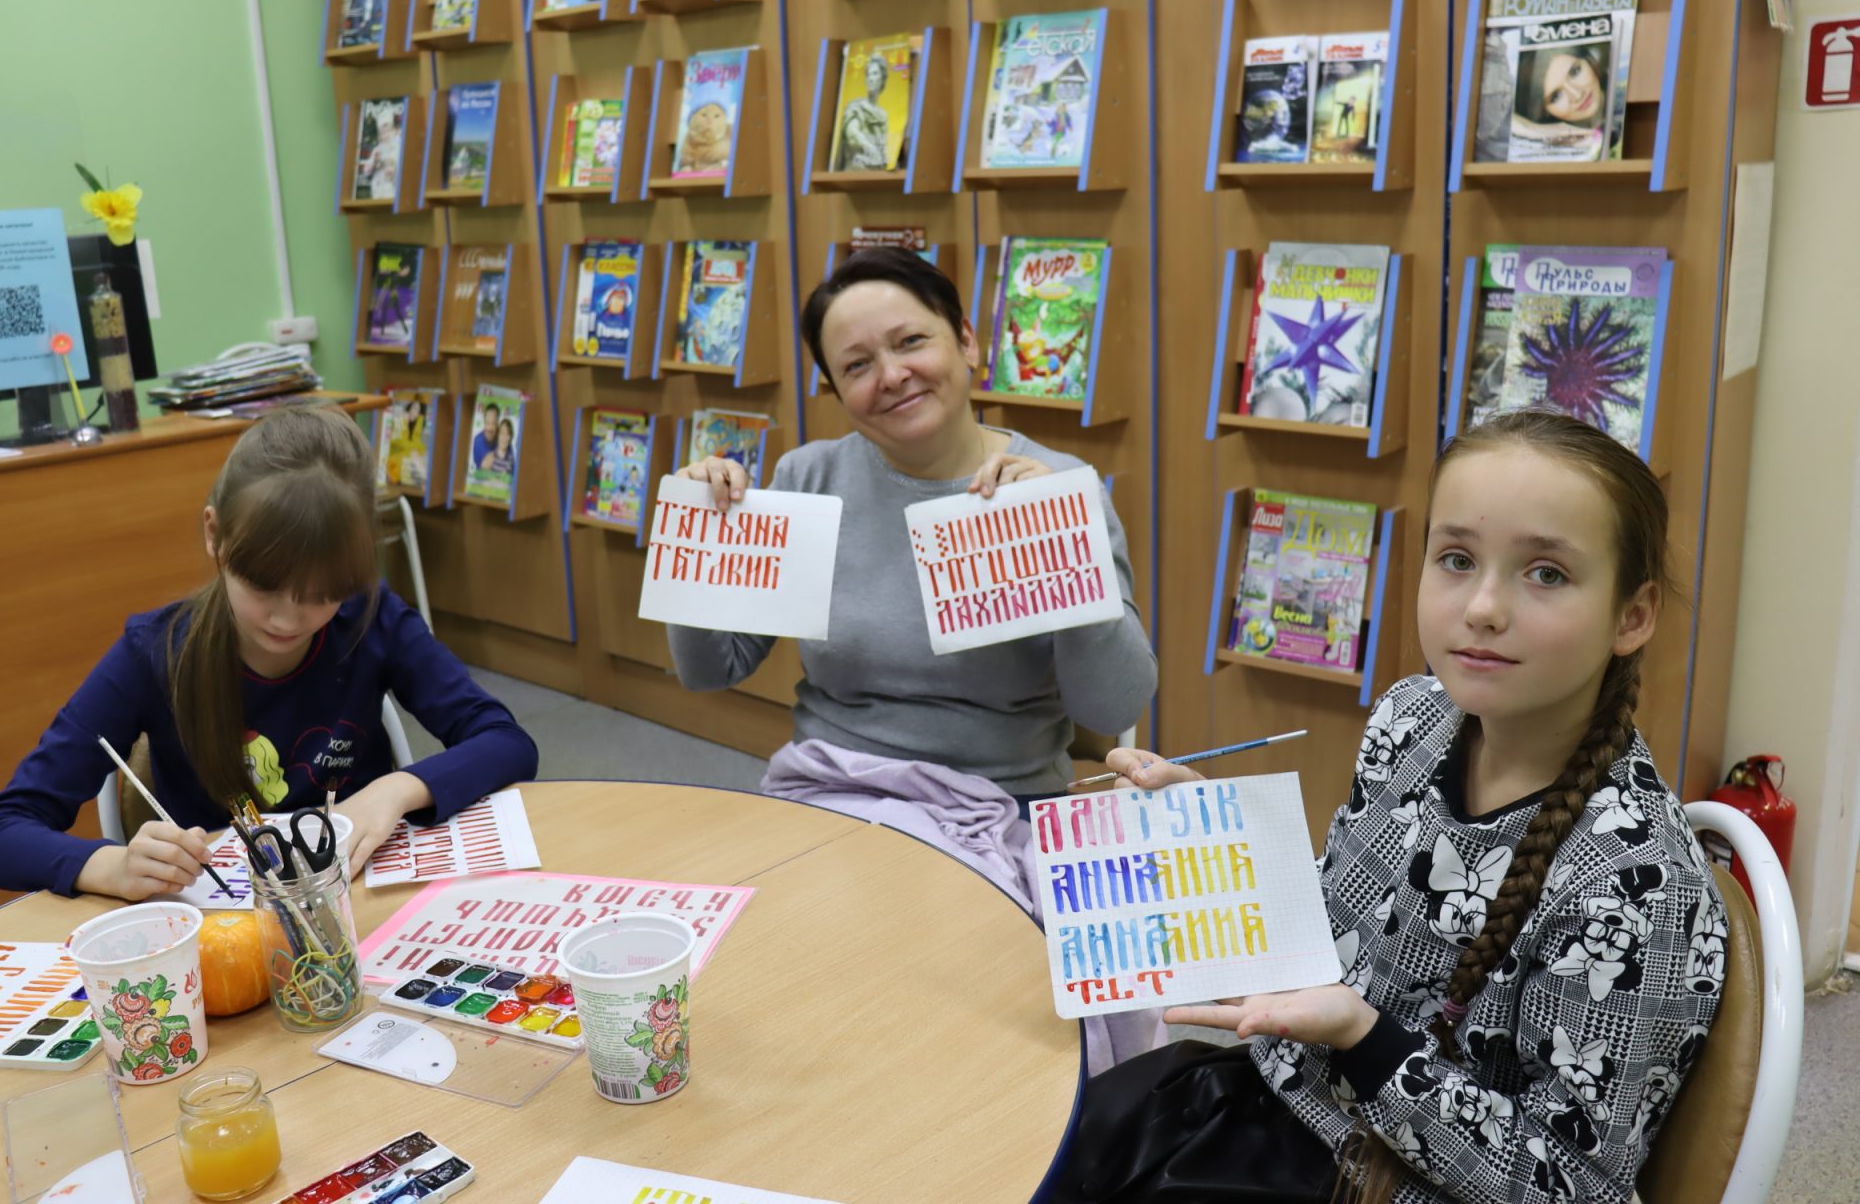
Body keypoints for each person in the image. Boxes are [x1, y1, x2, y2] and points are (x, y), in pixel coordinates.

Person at [1053, 409, 1726, 1204]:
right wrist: (1224, 842)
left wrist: (1365, 1041)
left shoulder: (1639, 889)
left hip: (1387, 1180)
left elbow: (1571, 1189)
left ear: (1632, 615)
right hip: (1281, 1102)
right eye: (1455, 558)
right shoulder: (1413, 717)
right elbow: (1346, 927)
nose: (1482, 606)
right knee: (1040, 1144)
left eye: (1545, 573)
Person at [669, 246, 1160, 1072]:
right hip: (833, 791)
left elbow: (1112, 701)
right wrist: (695, 538)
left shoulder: (1059, 483)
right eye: (856, 365)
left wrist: (1056, 543)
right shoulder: (808, 476)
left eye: (911, 343)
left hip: (1003, 807)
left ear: (968, 342)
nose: (890, 375)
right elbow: (711, 668)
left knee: (988, 1027)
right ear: (834, 391)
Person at [0, 407, 538, 900]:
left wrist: (394, 790)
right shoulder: (155, 653)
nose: (289, 620)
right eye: (263, 587)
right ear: (215, 535)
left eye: (321, 595)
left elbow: (506, 741)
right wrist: (112, 866)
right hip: (232, 933)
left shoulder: (371, 616)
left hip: (364, 910)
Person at [835, 52, 894, 172]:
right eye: (869, 75)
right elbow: (852, 133)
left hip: (875, 174)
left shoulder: (883, 115)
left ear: (882, 79)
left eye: (875, 74)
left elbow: (884, 149)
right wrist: (870, 148)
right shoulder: (856, 106)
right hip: (854, 171)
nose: (871, 78)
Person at [472, 402, 501, 470]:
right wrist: (482, 467)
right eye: (487, 422)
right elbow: (476, 467)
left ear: (497, 424)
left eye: (493, 423)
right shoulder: (477, 440)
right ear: (484, 422)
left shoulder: (504, 441)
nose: (489, 428)